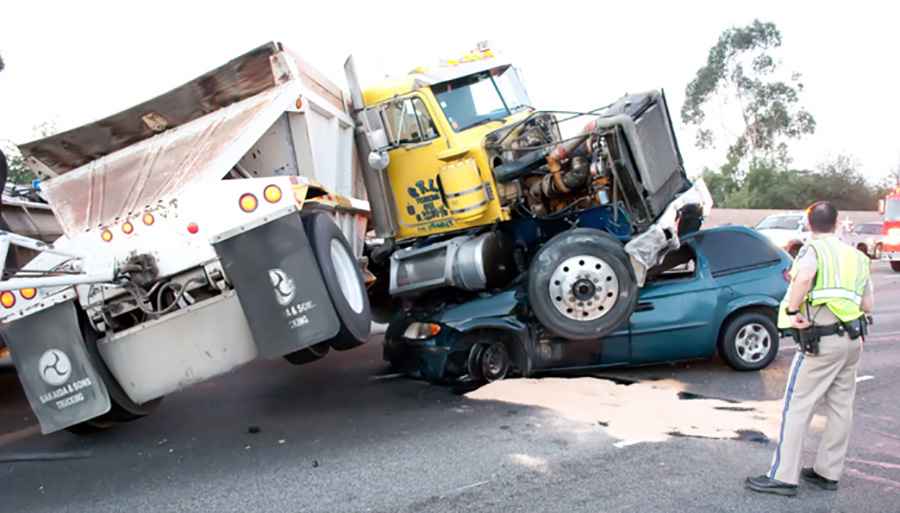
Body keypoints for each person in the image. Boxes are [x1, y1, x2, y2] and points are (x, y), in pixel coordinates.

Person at [746, 201, 874, 496]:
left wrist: (792, 312)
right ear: (838, 222)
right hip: (853, 340)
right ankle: (827, 473)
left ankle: (783, 477)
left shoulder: (812, 251)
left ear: (808, 223)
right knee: (841, 406)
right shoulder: (857, 257)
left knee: (798, 405)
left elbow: (803, 278)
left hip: (822, 340)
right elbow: (868, 304)